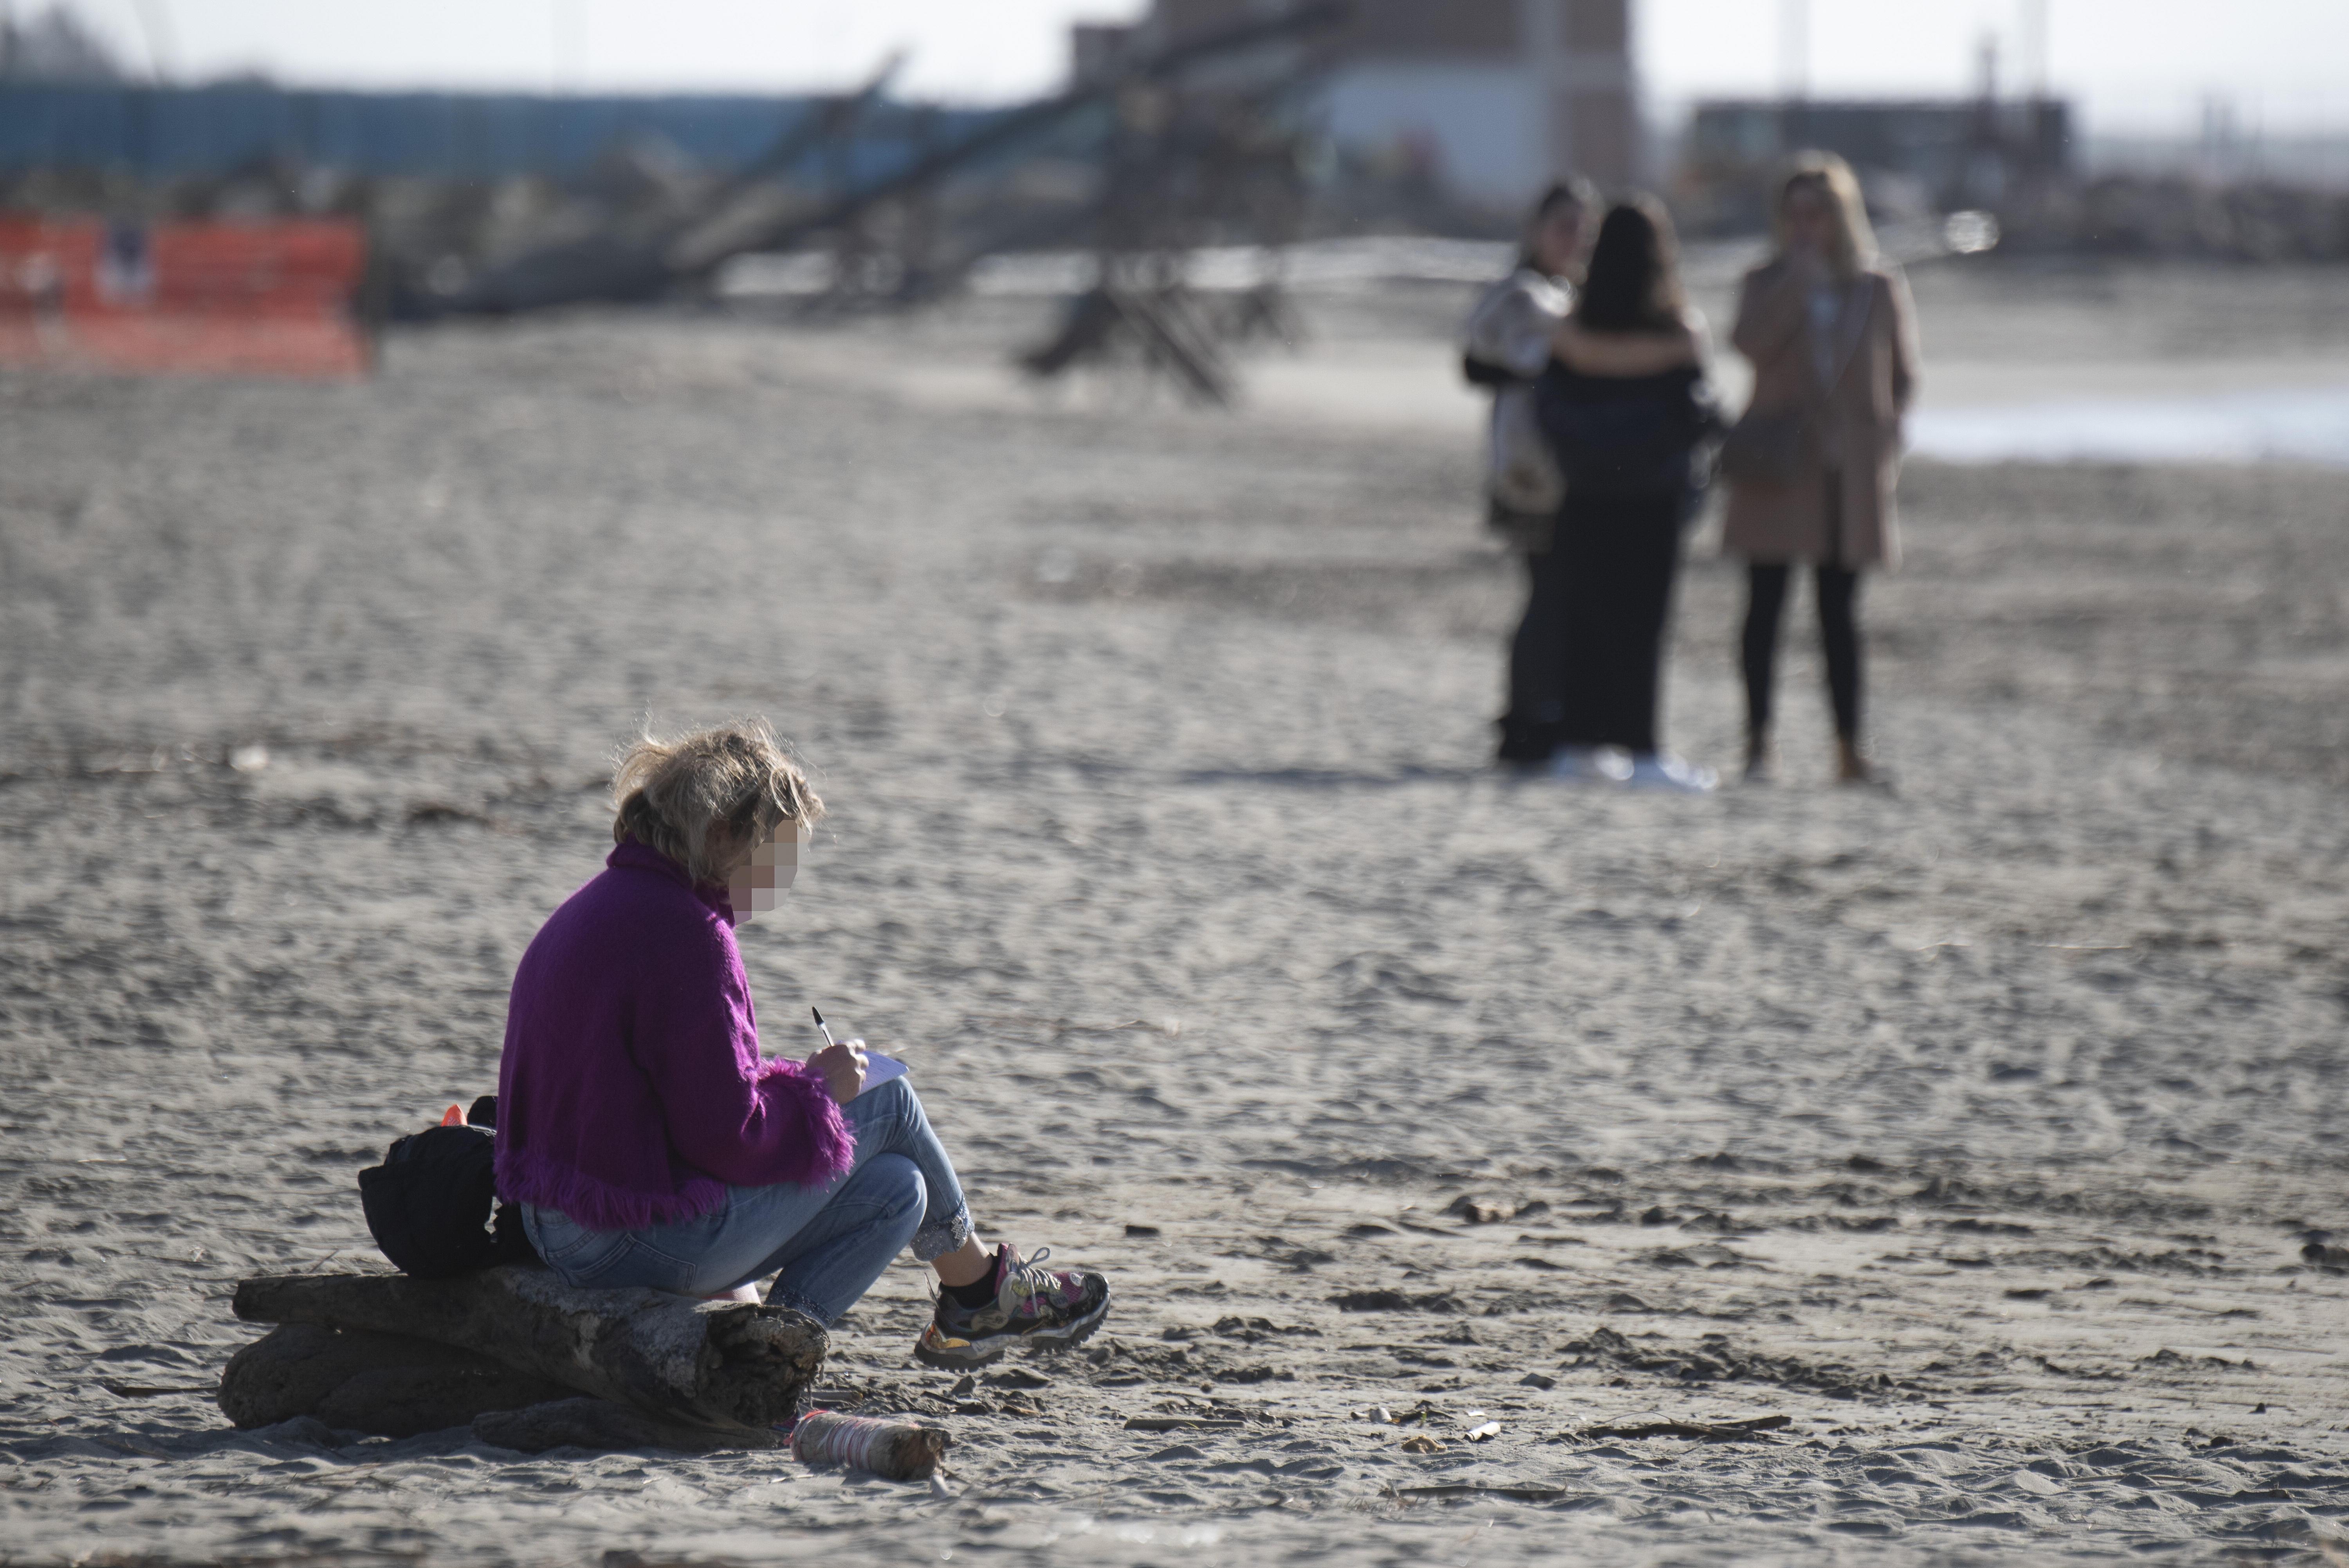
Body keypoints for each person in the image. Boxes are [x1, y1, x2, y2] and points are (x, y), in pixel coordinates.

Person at [493, 720, 1110, 1370]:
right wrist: (820, 1094)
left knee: (900, 1189)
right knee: (892, 1100)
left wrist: (798, 1091)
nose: (785, 876)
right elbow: (728, 1140)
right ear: (725, 834)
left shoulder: (595, 906)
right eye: (779, 852)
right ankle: (984, 1290)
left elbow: (667, 1101)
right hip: (626, 1240)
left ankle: (777, 1348)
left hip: (556, 1225)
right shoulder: (691, 934)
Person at [1721, 153, 1920, 785]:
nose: (1806, 226)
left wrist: (1882, 435)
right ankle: (1758, 747)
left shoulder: (1877, 287)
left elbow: (1904, 375)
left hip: (1848, 475)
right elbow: (1747, 344)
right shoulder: (1764, 279)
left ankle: (1848, 751)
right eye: (1794, 214)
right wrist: (1795, 288)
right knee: (1765, 609)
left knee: (1840, 617)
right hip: (1779, 465)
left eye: (1818, 213)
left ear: (1842, 216)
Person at [1537, 197, 1720, 791]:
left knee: (1585, 615)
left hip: (1587, 489)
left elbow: (1552, 399)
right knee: (1643, 621)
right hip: (1652, 492)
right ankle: (1641, 748)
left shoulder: (1574, 327)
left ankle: (1578, 742)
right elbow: (1703, 407)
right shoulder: (1679, 330)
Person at [1461, 177, 1590, 766]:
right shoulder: (1521, 294)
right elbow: (1475, 362)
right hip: (1530, 470)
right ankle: (1526, 723)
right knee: (1548, 593)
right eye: (1563, 225)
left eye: (1582, 227)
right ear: (1537, 230)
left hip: (1567, 465)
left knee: (1560, 595)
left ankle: (1543, 714)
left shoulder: (1570, 292)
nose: (1574, 238)